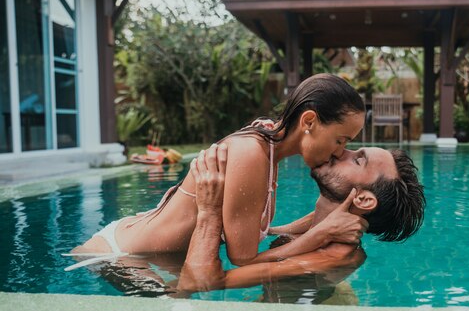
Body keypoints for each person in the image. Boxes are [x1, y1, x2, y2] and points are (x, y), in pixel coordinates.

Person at [66, 74, 368, 271]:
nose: (340, 151)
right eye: (340, 140)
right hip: (123, 257)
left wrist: (328, 221)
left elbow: (255, 232)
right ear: (310, 121)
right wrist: (323, 233)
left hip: (142, 248)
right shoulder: (252, 155)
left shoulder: (267, 141)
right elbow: (244, 259)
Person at [92, 143, 425, 297]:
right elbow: (269, 233)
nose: (342, 151)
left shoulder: (330, 254)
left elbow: (200, 284)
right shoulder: (324, 223)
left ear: (364, 199)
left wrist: (209, 212)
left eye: (358, 159)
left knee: (164, 300)